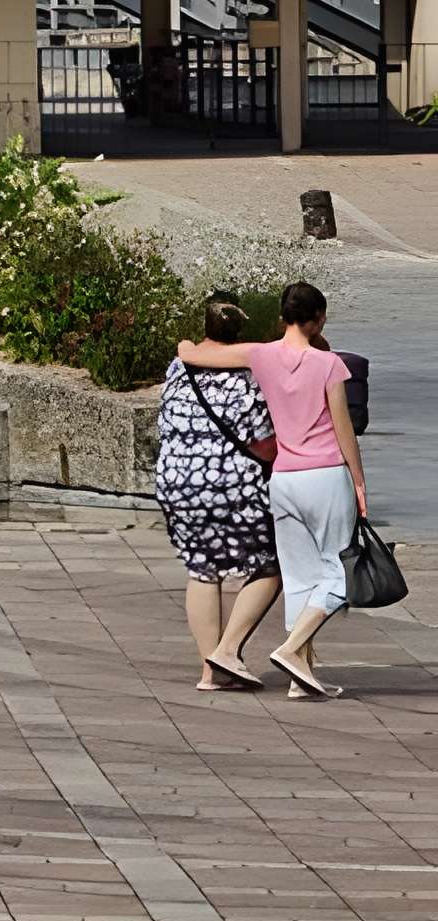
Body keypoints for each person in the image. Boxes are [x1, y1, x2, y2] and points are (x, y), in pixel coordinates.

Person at [178, 280, 370, 699]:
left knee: (299, 575)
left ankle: (301, 677)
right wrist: (358, 481)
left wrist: (183, 344)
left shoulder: (260, 355)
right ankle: (291, 649)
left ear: (283, 317)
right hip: (325, 475)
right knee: (340, 570)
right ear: (319, 319)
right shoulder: (330, 365)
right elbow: (344, 429)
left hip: (283, 480)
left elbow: (196, 354)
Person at [154, 293, 282, 692]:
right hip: (230, 483)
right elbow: (263, 443)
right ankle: (227, 651)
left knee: (202, 569)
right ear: (240, 328)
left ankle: (211, 672)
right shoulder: (247, 373)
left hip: (176, 481)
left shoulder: (179, 365)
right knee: (271, 562)